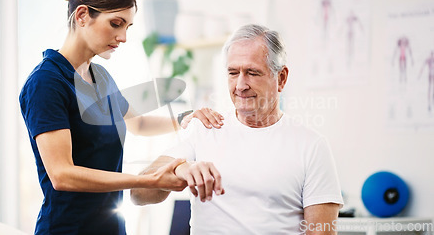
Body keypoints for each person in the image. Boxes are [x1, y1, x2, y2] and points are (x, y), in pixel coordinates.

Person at [19, 0, 223, 235]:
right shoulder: (47, 82)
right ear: (82, 16)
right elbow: (62, 174)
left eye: (127, 27)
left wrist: (186, 118)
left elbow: (138, 123)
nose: (124, 37)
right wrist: (147, 181)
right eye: (116, 24)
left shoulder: (100, 76)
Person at [131, 24, 344, 234]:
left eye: (252, 72)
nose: (240, 85)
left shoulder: (312, 146)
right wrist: (180, 169)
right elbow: (138, 193)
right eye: (233, 73)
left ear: (281, 78)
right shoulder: (205, 128)